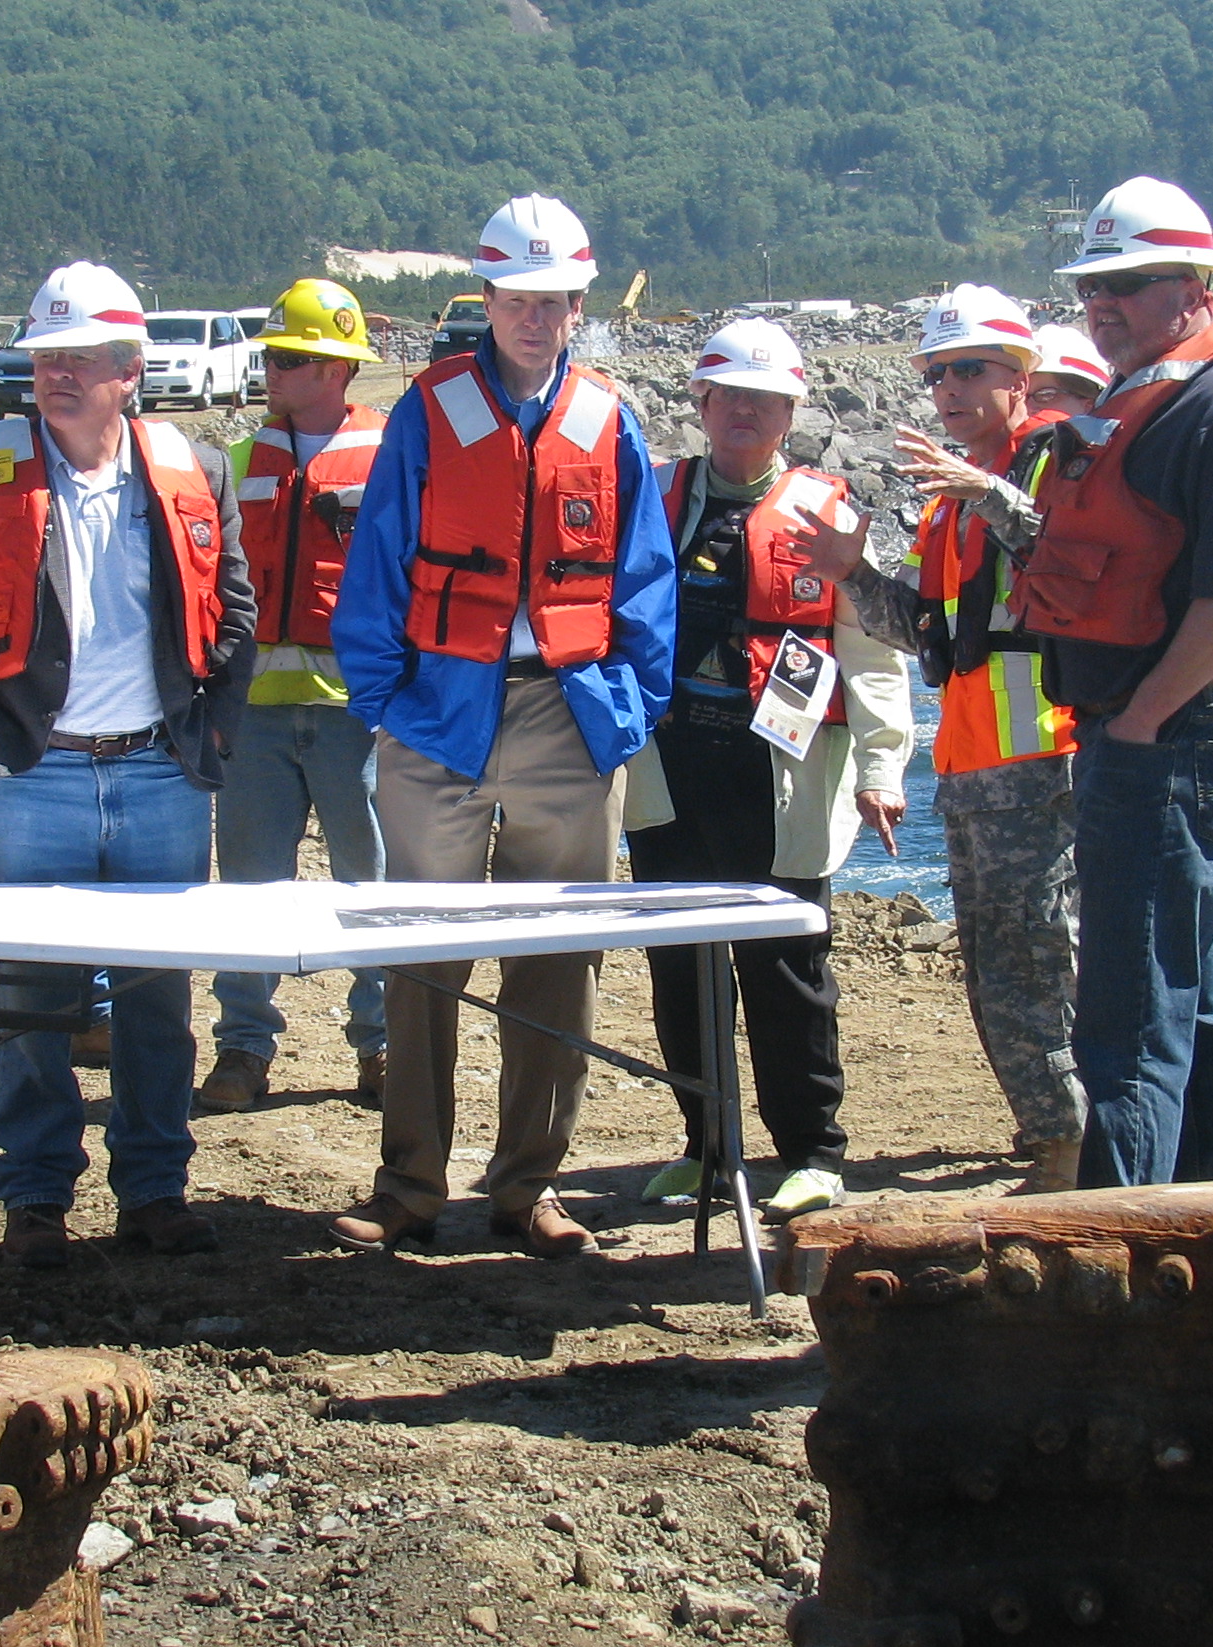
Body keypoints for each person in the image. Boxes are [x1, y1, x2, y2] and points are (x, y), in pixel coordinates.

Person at [327, 194, 678, 1259]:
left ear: (578, 304)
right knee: (424, 956)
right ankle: (409, 1184)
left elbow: (645, 584)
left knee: (558, 960)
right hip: (438, 718)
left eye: (556, 298)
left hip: (568, 719)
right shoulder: (427, 413)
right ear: (487, 298)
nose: (537, 315)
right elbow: (377, 568)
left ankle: (530, 1184)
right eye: (518, 296)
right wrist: (389, 707)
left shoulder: (608, 419)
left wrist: (624, 713)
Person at [0, 261, 257, 1270]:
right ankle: (35, 1198)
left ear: (129, 369)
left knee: (156, 1002)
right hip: (33, 775)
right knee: (32, 1002)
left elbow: (235, 613)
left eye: (82, 359)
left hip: (159, 776)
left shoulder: (194, 468)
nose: (58, 376)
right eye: (46, 357)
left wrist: (214, 735)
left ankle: (153, 1188)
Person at [1014, 176, 1213, 1190]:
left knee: (1131, 1022)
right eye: (1096, 284)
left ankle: (1114, 1256)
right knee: (1197, 998)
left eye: (1130, 283)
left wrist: (1139, 719)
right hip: (1154, 738)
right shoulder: (1164, 398)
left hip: (1176, 746)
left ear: (1196, 286)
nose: (1104, 303)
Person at [812, 286, 1110, 1192]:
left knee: (1037, 967)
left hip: (1042, 764)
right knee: (992, 972)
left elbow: (1083, 577)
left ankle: (1071, 1147)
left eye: (969, 370)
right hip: (973, 774)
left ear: (1022, 377)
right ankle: (1048, 1130)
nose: (948, 388)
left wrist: (994, 498)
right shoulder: (947, 499)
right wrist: (849, 572)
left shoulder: (1057, 466)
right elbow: (926, 630)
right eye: (937, 372)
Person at [623, 319, 911, 1220]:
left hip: (777, 771)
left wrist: (881, 769)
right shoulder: (655, 497)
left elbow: (869, 656)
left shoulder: (827, 512)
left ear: (791, 410)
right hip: (667, 768)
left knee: (787, 967)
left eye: (765, 399)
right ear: (700, 402)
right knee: (681, 965)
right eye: (728, 395)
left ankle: (813, 1152)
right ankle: (706, 1148)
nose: (744, 411)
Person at [198, 278, 390, 1116]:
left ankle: (383, 1047)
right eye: (271, 355)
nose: (271, 367)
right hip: (255, 717)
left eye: (290, 356)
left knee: (372, 889)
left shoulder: (392, 460)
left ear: (337, 368)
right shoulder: (239, 463)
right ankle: (243, 1048)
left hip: (357, 712)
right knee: (247, 892)